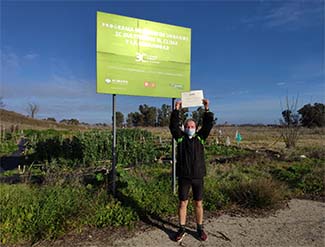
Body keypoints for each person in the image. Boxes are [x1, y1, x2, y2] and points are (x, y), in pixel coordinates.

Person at [169, 99, 214, 242]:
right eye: (188, 126)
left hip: (198, 177)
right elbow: (172, 126)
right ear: (184, 127)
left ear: (196, 128)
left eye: (193, 126)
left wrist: (206, 109)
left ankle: (200, 228)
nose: (190, 127)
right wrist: (176, 109)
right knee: (183, 203)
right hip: (184, 177)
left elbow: (208, 125)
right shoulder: (180, 138)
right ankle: (181, 228)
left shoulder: (200, 138)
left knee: (198, 203)